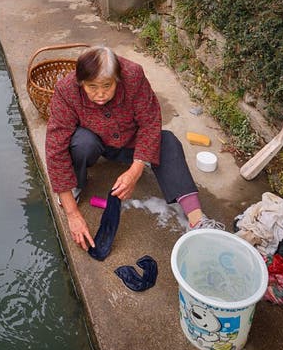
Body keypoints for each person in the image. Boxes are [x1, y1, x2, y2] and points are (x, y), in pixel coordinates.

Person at [45, 46, 223, 252]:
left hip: (131, 141)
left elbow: (150, 121)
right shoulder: (66, 90)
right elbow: (55, 147)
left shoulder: (133, 75)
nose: (100, 94)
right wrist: (72, 214)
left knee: (167, 141)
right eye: (91, 86)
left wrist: (137, 167)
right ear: (80, 82)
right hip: (95, 143)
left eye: (107, 85)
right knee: (81, 142)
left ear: (117, 79)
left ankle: (197, 220)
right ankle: (76, 183)